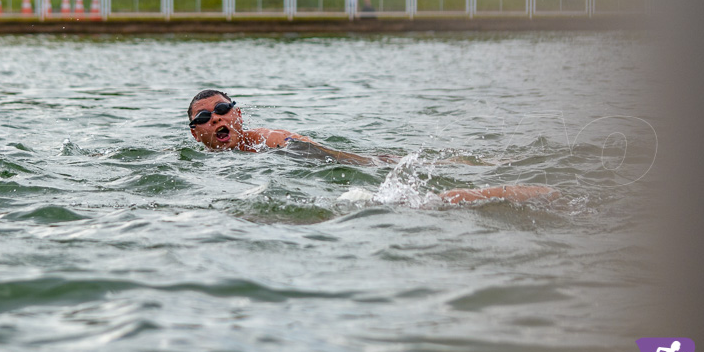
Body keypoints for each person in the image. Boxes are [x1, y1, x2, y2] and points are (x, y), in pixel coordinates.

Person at [186, 89, 558, 204]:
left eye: (222, 110)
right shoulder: (199, 164)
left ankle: (493, 168)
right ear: (195, 134)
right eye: (205, 118)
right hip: (318, 176)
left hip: (328, 162)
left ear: (238, 113)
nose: (216, 119)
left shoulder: (268, 140)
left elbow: (331, 157)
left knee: (397, 174)